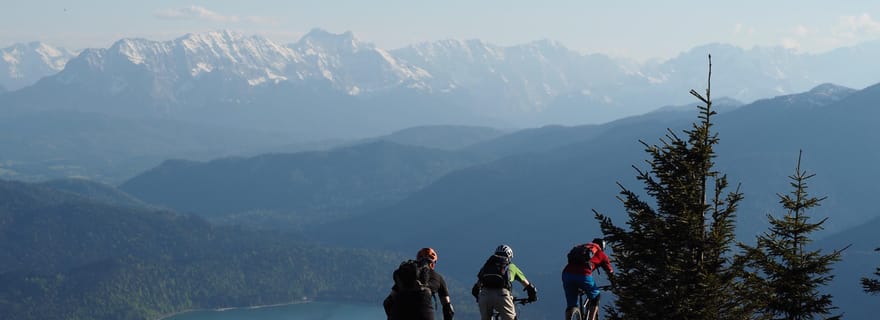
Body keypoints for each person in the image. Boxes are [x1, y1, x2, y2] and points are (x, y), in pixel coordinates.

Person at [384, 247, 455, 320]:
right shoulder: (438, 277)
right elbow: (448, 309)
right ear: (433, 264)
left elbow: (387, 303)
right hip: (424, 315)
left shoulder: (406, 276)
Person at [472, 244, 537, 320]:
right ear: (509, 256)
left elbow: (475, 289)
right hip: (502, 296)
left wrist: (479, 298)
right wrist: (532, 297)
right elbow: (528, 286)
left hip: (485, 295)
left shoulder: (487, 266)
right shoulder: (511, 266)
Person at [561, 238, 614, 320]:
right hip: (583, 275)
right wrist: (613, 283)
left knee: (571, 305)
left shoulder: (582, 248)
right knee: (596, 296)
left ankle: (569, 317)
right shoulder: (602, 254)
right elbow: (610, 272)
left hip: (567, 274)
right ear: (602, 248)